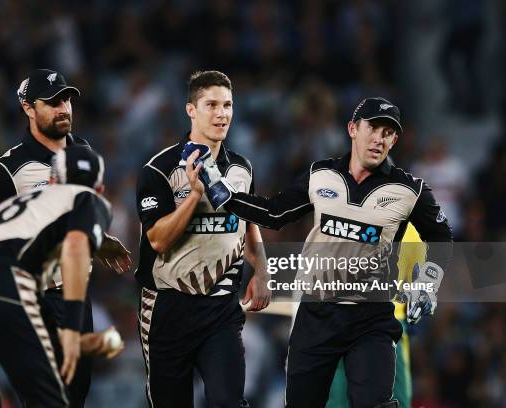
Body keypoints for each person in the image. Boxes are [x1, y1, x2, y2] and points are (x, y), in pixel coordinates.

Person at [185, 97, 453, 407]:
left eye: (388, 132)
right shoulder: (320, 174)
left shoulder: (411, 190)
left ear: (395, 140)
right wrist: (221, 191)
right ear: (353, 129)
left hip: (372, 318)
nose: (379, 138)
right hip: (316, 314)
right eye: (373, 128)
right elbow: (274, 213)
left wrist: (428, 281)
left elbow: (441, 235)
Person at [0, 69, 130, 406]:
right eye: (53, 102)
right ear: (29, 108)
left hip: (76, 296)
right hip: (36, 300)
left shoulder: (81, 151)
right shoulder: (8, 170)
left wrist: (101, 240)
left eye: (67, 99)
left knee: (74, 395)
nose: (64, 108)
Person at [0, 145, 117, 407]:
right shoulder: (88, 199)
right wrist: (73, 331)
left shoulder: (23, 201)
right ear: (99, 189)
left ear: (53, 180)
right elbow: (73, 248)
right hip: (4, 291)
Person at [135, 70, 270, 408]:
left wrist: (263, 271)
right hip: (168, 307)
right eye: (211, 105)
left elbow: (248, 223)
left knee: (228, 402)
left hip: (221, 307)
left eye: (227, 105)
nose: (221, 113)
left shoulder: (242, 168)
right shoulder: (159, 169)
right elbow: (158, 241)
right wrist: (194, 196)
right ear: (191, 110)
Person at [326, 224, 425, 408]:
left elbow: (420, 285)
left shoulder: (414, 232)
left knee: (395, 400)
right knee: (338, 399)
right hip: (345, 320)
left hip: (388, 327)